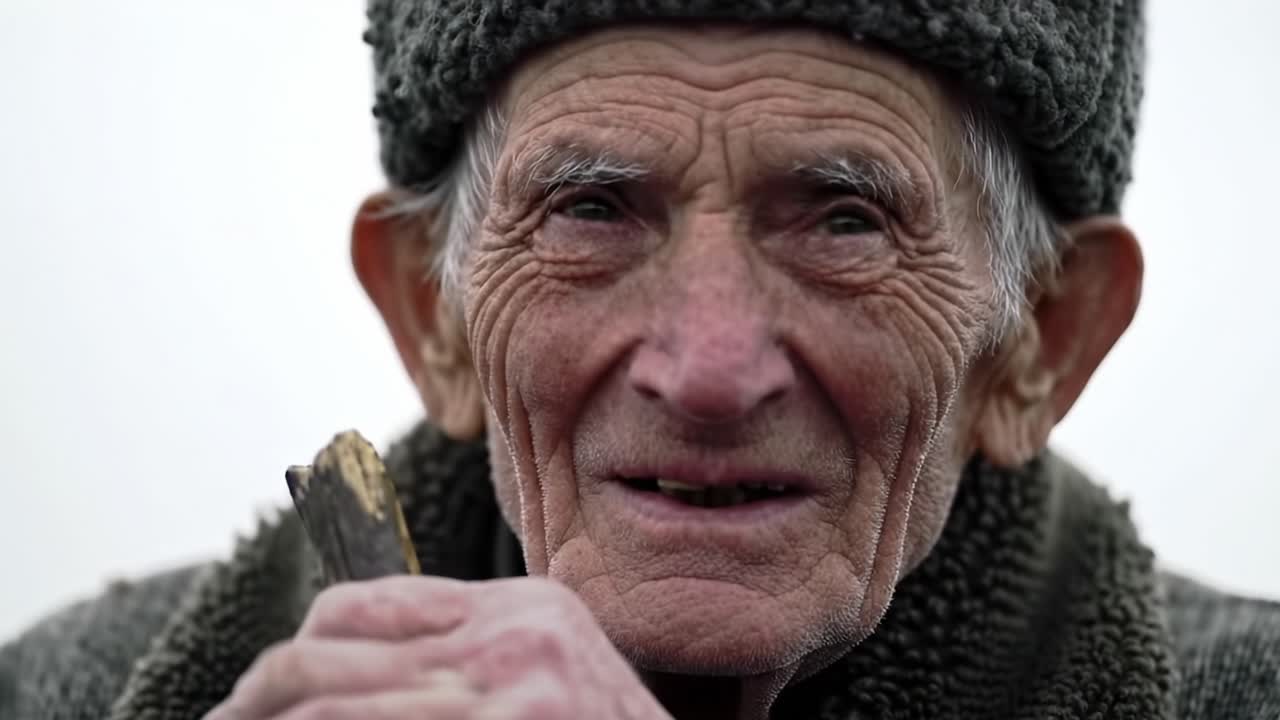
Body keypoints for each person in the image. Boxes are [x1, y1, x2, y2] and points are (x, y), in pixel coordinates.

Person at [4, 3, 1279, 719]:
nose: (707, 371)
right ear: (432, 314)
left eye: (842, 221)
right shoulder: (63, 694)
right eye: (591, 211)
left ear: (1038, 343)